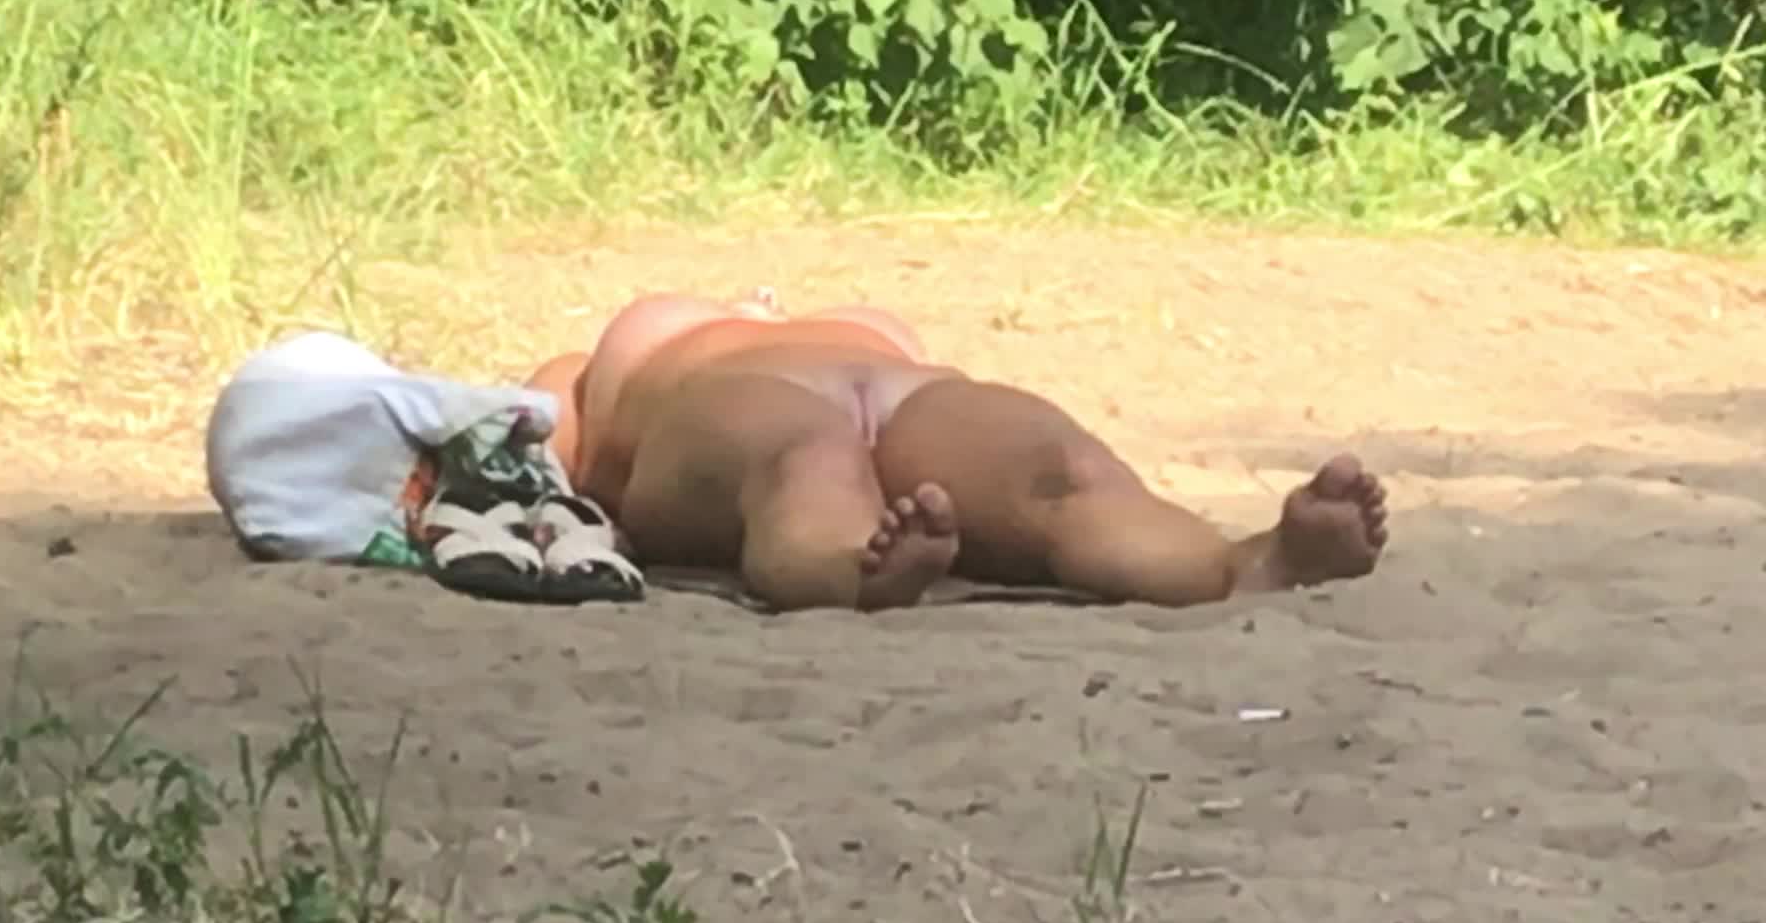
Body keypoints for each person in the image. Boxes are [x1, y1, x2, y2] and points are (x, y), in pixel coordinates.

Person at [522, 290, 1389, 612]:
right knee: (805, 460)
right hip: (727, 399)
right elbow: (532, 440)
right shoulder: (591, 371)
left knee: (1061, 471)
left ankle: (1247, 564)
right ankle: (849, 567)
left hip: (906, 393)